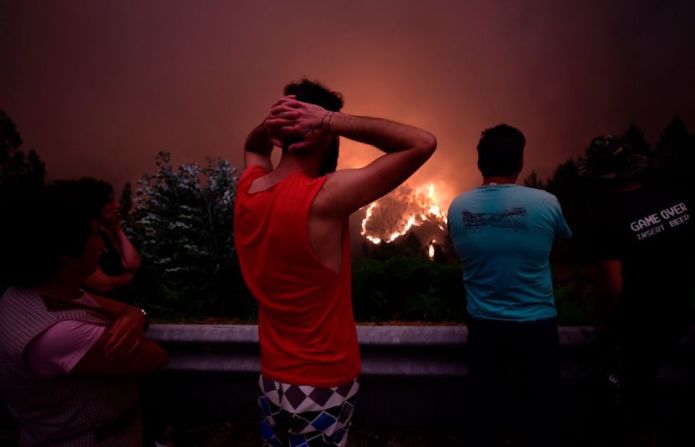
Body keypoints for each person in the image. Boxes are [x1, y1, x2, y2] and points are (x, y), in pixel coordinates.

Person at [234, 79, 436, 446]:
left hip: (271, 378)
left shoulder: (249, 190)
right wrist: (328, 120)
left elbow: (253, 146)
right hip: (322, 380)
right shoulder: (323, 198)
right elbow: (422, 142)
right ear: (321, 133)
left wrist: (276, 122)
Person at [0, 180, 168, 446]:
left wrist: (136, 315)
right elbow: (156, 357)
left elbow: (130, 310)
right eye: (93, 235)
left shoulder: (26, 295)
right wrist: (134, 316)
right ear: (65, 255)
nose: (101, 245)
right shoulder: (59, 334)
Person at [446, 124, 572, 447]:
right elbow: (559, 249)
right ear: (520, 163)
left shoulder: (458, 207)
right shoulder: (547, 203)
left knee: (489, 414)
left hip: (484, 328)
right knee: (541, 414)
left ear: (479, 163)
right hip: (538, 326)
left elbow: (457, 254)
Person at [587, 135, 694, 446]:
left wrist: (603, 323)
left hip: (642, 325)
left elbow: (614, 286)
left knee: (638, 409)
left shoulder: (609, 216)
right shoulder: (675, 198)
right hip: (681, 311)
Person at [77, 178, 142, 298]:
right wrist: (128, 277)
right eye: (110, 202)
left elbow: (132, 263)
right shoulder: (79, 238)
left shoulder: (104, 234)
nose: (116, 205)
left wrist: (117, 229)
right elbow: (101, 284)